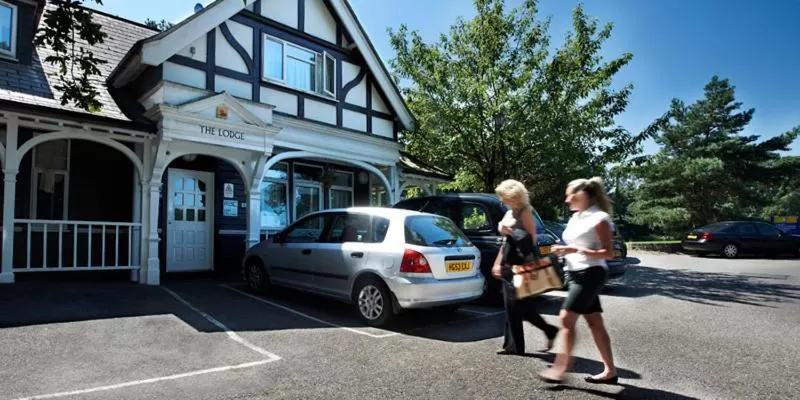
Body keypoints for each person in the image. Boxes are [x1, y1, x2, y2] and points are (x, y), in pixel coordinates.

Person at [538, 177, 618, 384]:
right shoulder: (576, 217)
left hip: (591, 273)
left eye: (571, 195)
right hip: (574, 273)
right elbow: (574, 244)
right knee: (594, 322)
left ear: (584, 194)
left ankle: (560, 369)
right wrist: (562, 249)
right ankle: (610, 371)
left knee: (566, 318)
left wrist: (575, 249)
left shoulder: (599, 218)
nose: (567, 200)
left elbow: (609, 253)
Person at [491, 179, 560, 355]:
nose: (501, 200)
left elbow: (531, 240)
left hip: (522, 265)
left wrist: (509, 231)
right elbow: (505, 242)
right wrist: (498, 263)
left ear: (513, 195)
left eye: (503, 196)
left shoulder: (525, 211)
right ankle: (513, 346)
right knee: (510, 306)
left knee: (521, 306)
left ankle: (548, 330)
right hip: (508, 262)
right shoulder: (509, 212)